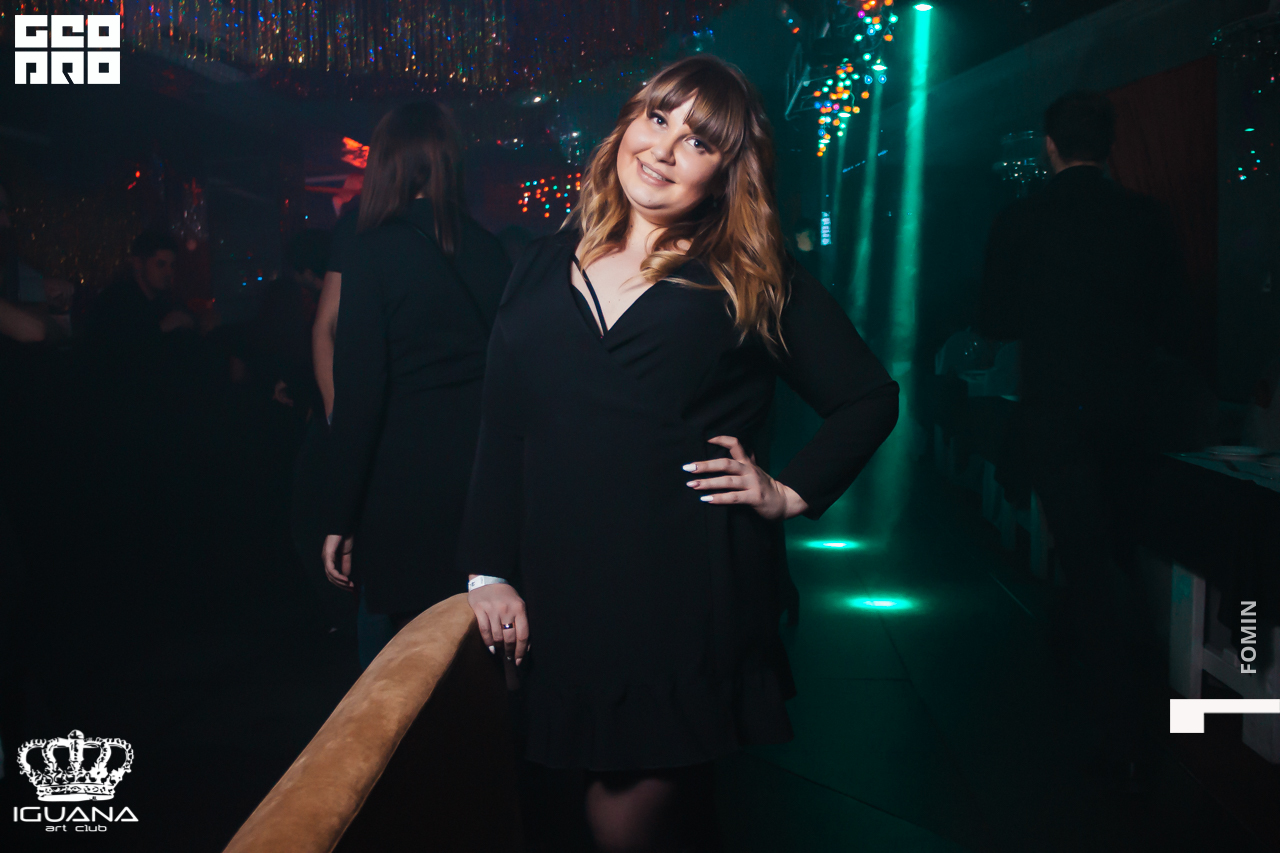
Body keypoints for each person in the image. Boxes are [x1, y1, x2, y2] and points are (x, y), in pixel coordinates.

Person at [456, 56, 898, 852]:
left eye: (698, 141)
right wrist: (488, 569)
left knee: (625, 809)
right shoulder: (540, 263)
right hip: (561, 586)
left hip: (682, 587)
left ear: (727, 172)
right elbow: (503, 423)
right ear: (627, 124)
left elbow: (867, 396)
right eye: (657, 119)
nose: (662, 149)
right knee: (588, 802)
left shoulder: (747, 271)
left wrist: (788, 491)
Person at [977, 91, 1208, 794]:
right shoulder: (1147, 218)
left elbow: (994, 319)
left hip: (1059, 414)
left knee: (1089, 562)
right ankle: (1108, 700)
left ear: (1049, 146)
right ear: (1109, 148)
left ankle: (1124, 732)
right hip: (1134, 413)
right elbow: (1178, 325)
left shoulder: (1023, 217)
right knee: (1117, 555)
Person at [321, 101, 512, 666]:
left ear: (388, 165)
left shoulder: (373, 250)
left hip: (404, 488)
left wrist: (340, 514)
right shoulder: (490, 250)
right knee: (482, 656)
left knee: (411, 669)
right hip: (484, 478)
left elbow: (360, 393)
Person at [84, 229, 193, 347]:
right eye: (161, 264)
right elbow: (115, 349)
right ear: (138, 263)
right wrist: (161, 328)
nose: (169, 272)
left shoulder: (166, 301)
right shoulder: (114, 302)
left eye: (172, 265)